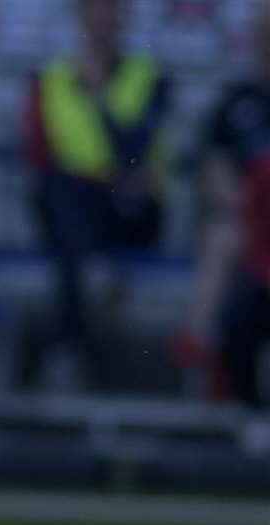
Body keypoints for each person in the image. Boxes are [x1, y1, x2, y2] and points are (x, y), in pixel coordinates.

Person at [23, 0, 171, 390]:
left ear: (126, 16)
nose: (103, 17)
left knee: (73, 214)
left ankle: (71, 347)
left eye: (112, 8)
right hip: (74, 207)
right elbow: (38, 160)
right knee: (60, 194)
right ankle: (83, 331)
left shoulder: (151, 77)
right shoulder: (51, 78)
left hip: (131, 212)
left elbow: (133, 152)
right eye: (94, 8)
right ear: (79, 16)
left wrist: (99, 96)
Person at [176, 1, 270, 405]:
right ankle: (202, 342)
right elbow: (214, 172)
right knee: (224, 236)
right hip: (252, 226)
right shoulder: (235, 104)